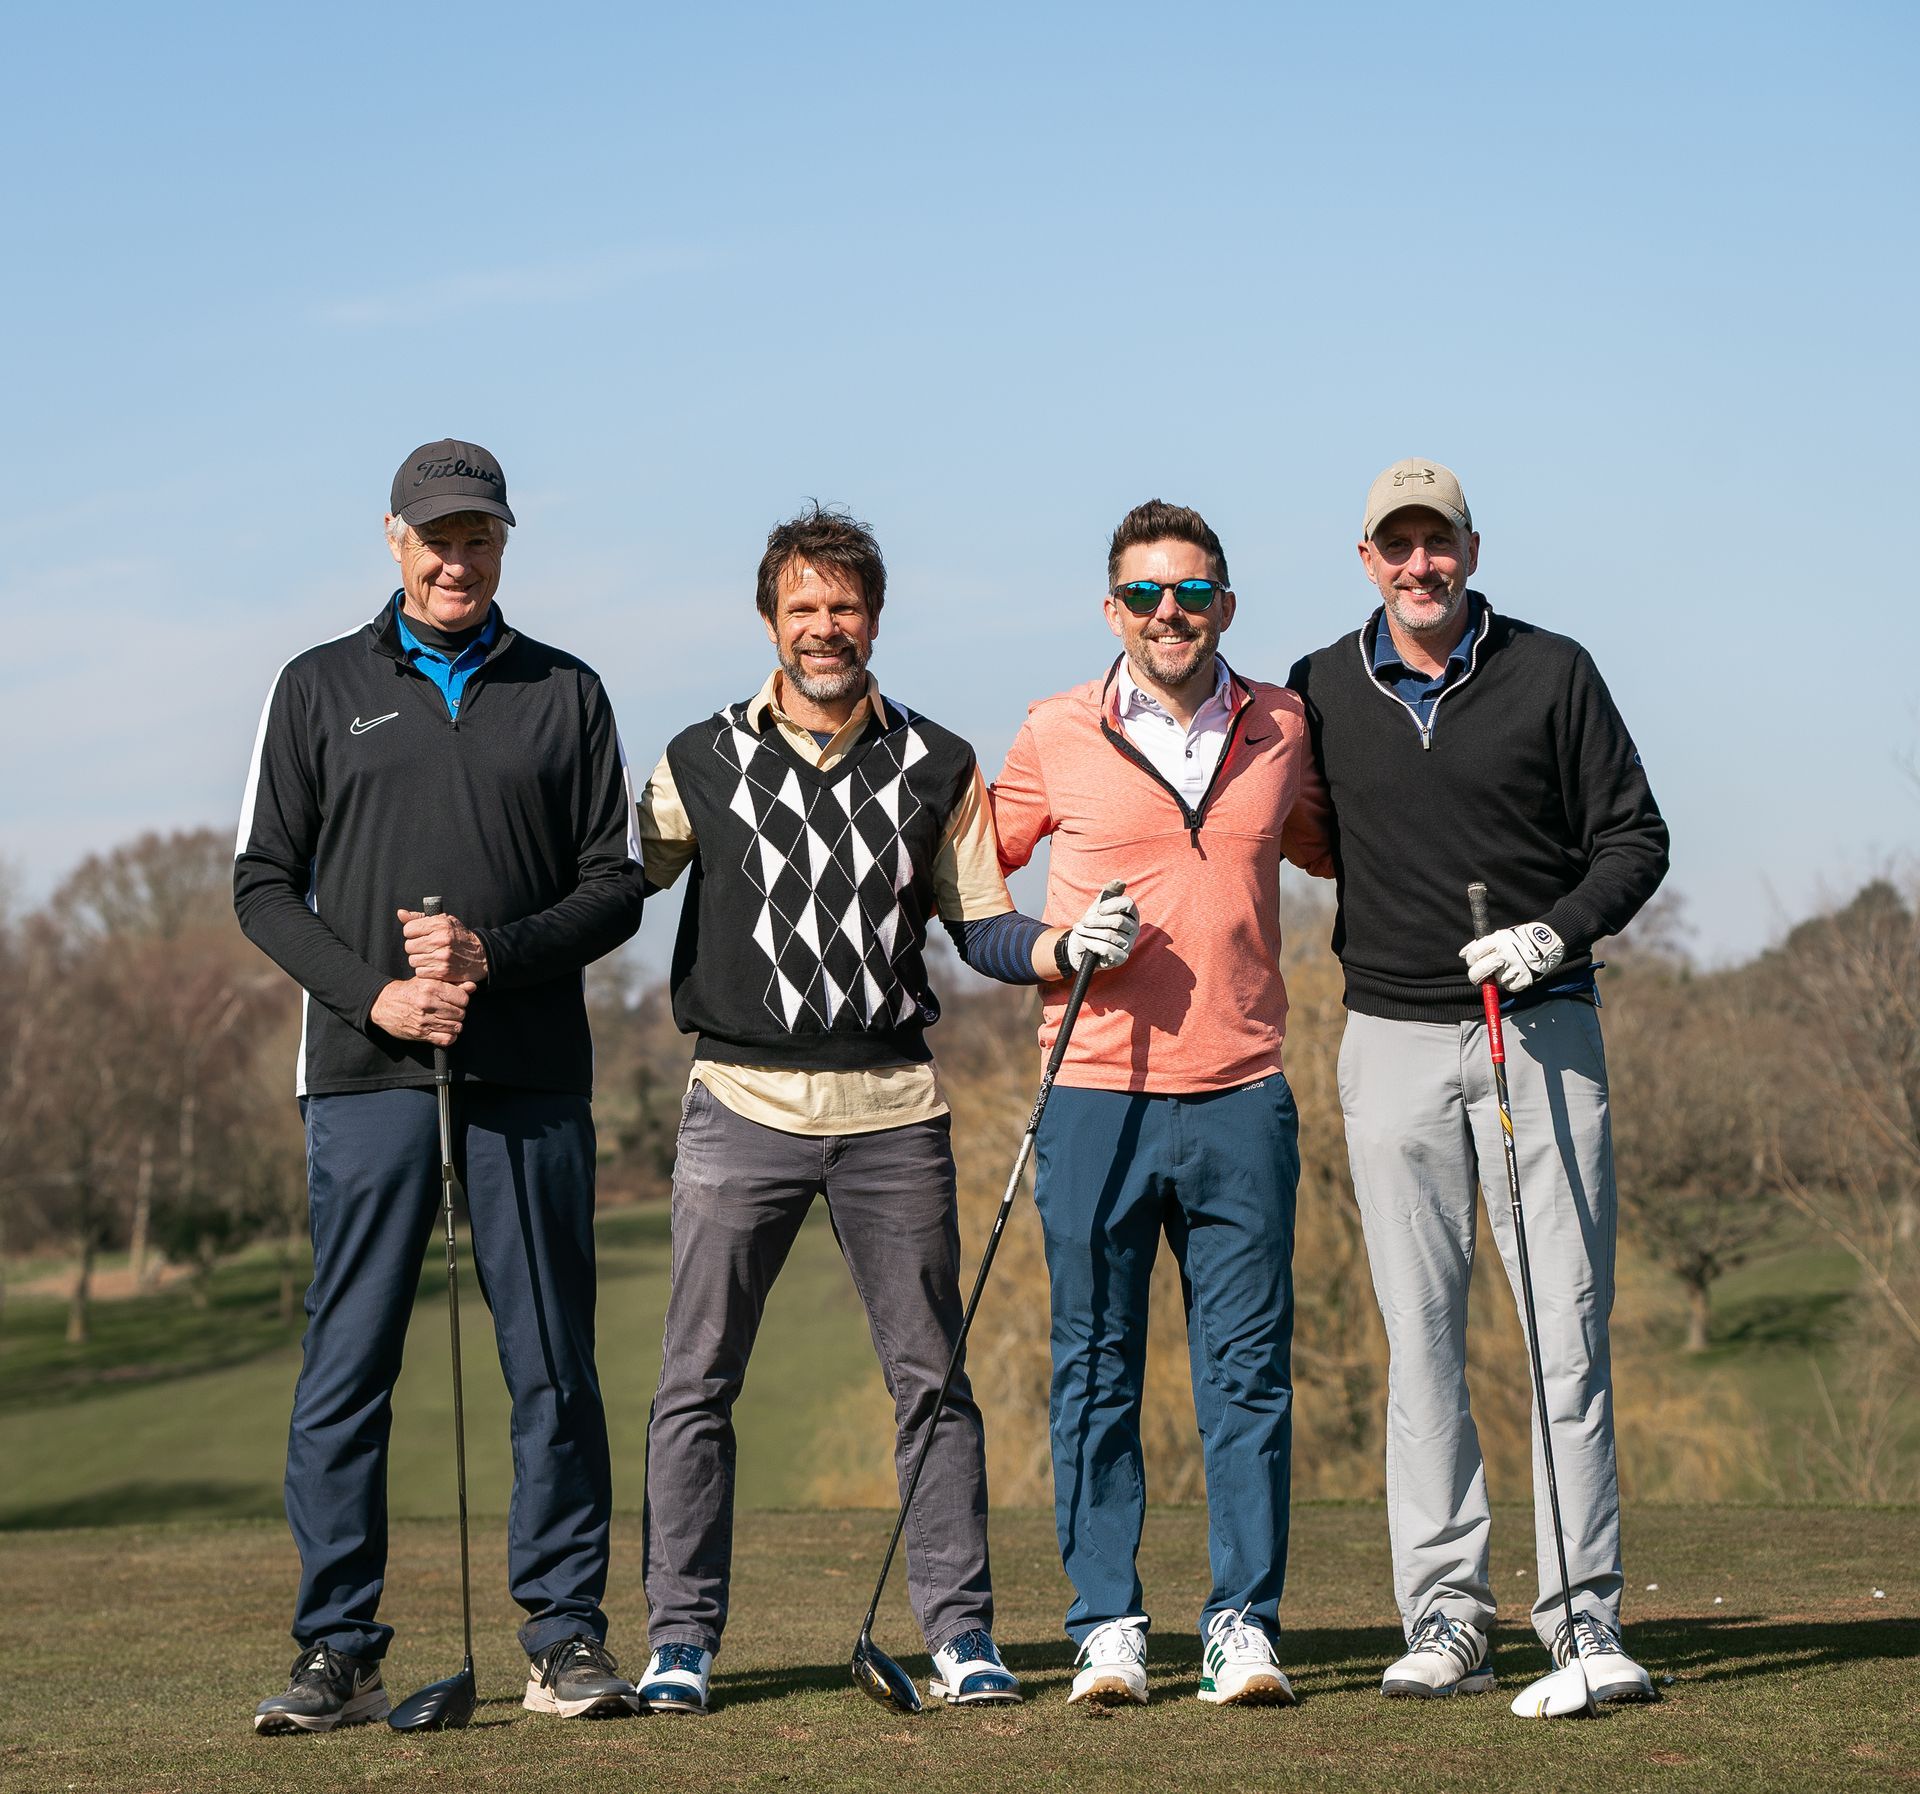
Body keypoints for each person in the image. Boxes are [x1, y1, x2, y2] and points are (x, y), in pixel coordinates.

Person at [635, 503, 1136, 1715]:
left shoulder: (939, 763)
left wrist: (1062, 946)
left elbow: (983, 926)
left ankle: (962, 1634)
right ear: (771, 620)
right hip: (739, 1104)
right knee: (696, 1382)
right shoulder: (697, 756)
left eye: (845, 606)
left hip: (893, 1115)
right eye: (803, 607)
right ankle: (680, 1639)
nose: (824, 627)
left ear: (875, 619)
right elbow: (609, 881)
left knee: (932, 1382)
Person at [235, 439, 647, 1732]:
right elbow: (262, 883)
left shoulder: (567, 691)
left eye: (478, 537)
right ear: (393, 539)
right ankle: (339, 1649)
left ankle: (565, 1637)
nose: (456, 560)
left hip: (529, 1071)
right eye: (436, 537)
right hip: (368, 1071)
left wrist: (490, 957)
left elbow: (615, 885)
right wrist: (377, 994)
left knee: (553, 1363)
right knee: (348, 1362)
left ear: (505, 543)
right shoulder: (316, 686)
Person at [1286, 457, 1669, 1703]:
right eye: (1397, 546)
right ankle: (1448, 1614)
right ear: (1367, 561)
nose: (1421, 565)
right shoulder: (1319, 688)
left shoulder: (1553, 672)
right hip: (1389, 1039)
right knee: (1422, 1340)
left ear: (1472, 549)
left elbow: (1635, 838)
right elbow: (1299, 833)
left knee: (1566, 1334)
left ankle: (1582, 1620)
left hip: (1541, 1028)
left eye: (1438, 542)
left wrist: (1555, 933)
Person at [988, 499, 1333, 1708]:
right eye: (1144, 593)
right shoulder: (1054, 730)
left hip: (1243, 1094)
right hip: (1094, 1095)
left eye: (1189, 592)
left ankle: (1243, 1624)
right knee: (1094, 1368)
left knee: (1247, 1374)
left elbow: (1349, 843)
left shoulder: (1285, 725)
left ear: (1225, 604)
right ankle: (1106, 1625)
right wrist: (1047, 947)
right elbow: (964, 879)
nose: (1167, 613)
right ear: (1112, 610)